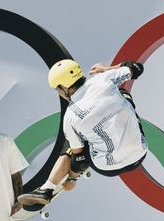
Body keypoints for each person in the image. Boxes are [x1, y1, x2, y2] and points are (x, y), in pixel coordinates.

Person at [18, 59, 147, 205]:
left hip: (107, 167)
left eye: (57, 89)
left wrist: (72, 179)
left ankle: (47, 188)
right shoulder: (104, 79)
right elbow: (136, 67)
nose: (58, 93)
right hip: (139, 155)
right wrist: (107, 69)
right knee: (124, 95)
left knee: (72, 143)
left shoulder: (70, 116)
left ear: (63, 86)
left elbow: (78, 159)